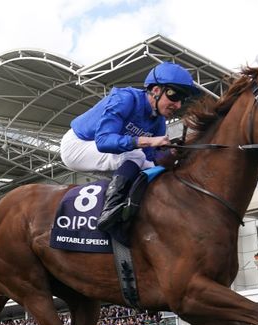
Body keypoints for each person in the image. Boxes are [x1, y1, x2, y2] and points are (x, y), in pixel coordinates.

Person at [59, 62, 200, 230]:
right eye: (174, 96)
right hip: (77, 145)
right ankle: (110, 211)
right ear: (156, 90)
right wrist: (146, 141)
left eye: (182, 100)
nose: (177, 105)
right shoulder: (126, 98)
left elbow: (151, 161)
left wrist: (171, 155)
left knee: (147, 167)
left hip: (104, 152)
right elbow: (103, 141)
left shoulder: (159, 122)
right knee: (136, 154)